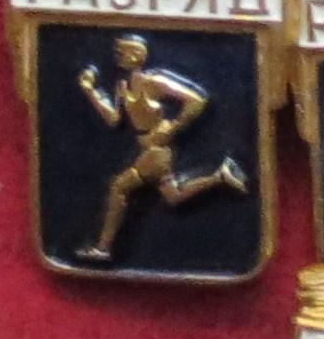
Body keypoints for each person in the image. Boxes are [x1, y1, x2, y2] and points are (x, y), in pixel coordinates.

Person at [74, 33, 247, 261]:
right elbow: (114, 119)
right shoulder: (123, 86)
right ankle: (220, 176)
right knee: (172, 196)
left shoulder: (153, 82)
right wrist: (90, 91)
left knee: (119, 187)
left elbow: (197, 100)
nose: (117, 56)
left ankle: (103, 248)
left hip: (158, 150)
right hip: (149, 149)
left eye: (122, 52)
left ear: (137, 56)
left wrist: (172, 128)